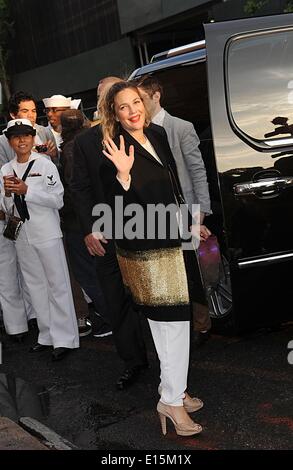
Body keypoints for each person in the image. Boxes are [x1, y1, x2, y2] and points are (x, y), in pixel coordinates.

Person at [98, 80, 203, 436]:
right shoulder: (114, 147)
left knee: (171, 324)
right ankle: (171, 402)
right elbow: (112, 211)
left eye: (136, 102)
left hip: (173, 238)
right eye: (123, 107)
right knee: (171, 324)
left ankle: (172, 390)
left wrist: (191, 220)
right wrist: (123, 177)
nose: (133, 111)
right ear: (114, 113)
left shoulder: (156, 134)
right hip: (147, 249)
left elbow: (171, 185)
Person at [72, 98, 148, 391]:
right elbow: (79, 187)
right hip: (107, 234)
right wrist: (90, 228)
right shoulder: (85, 142)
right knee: (116, 299)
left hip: (145, 227)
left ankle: (171, 361)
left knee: (155, 297)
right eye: (111, 99)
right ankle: (133, 362)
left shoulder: (144, 132)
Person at [136, 76, 212, 346]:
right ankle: (178, 324)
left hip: (186, 211)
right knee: (170, 272)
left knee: (192, 272)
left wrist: (201, 210)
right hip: (157, 214)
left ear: (157, 96)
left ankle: (201, 325)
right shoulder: (138, 132)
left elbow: (197, 170)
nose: (138, 107)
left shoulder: (181, 127)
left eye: (141, 100)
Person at [0, 119, 79, 361]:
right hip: (22, 234)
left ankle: (65, 338)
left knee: (58, 285)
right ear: (9, 141)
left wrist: (28, 191)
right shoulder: (5, 170)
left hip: (46, 232)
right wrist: (9, 198)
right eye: (15, 136)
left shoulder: (44, 165)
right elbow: (5, 206)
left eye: (26, 135)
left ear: (33, 137)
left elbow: (58, 200)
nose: (21, 140)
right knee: (35, 286)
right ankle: (46, 335)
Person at [60, 109, 111, 337]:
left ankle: (110, 318)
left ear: (62, 129)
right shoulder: (92, 141)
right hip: (97, 217)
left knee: (88, 273)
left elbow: (76, 189)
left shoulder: (73, 148)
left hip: (80, 223)